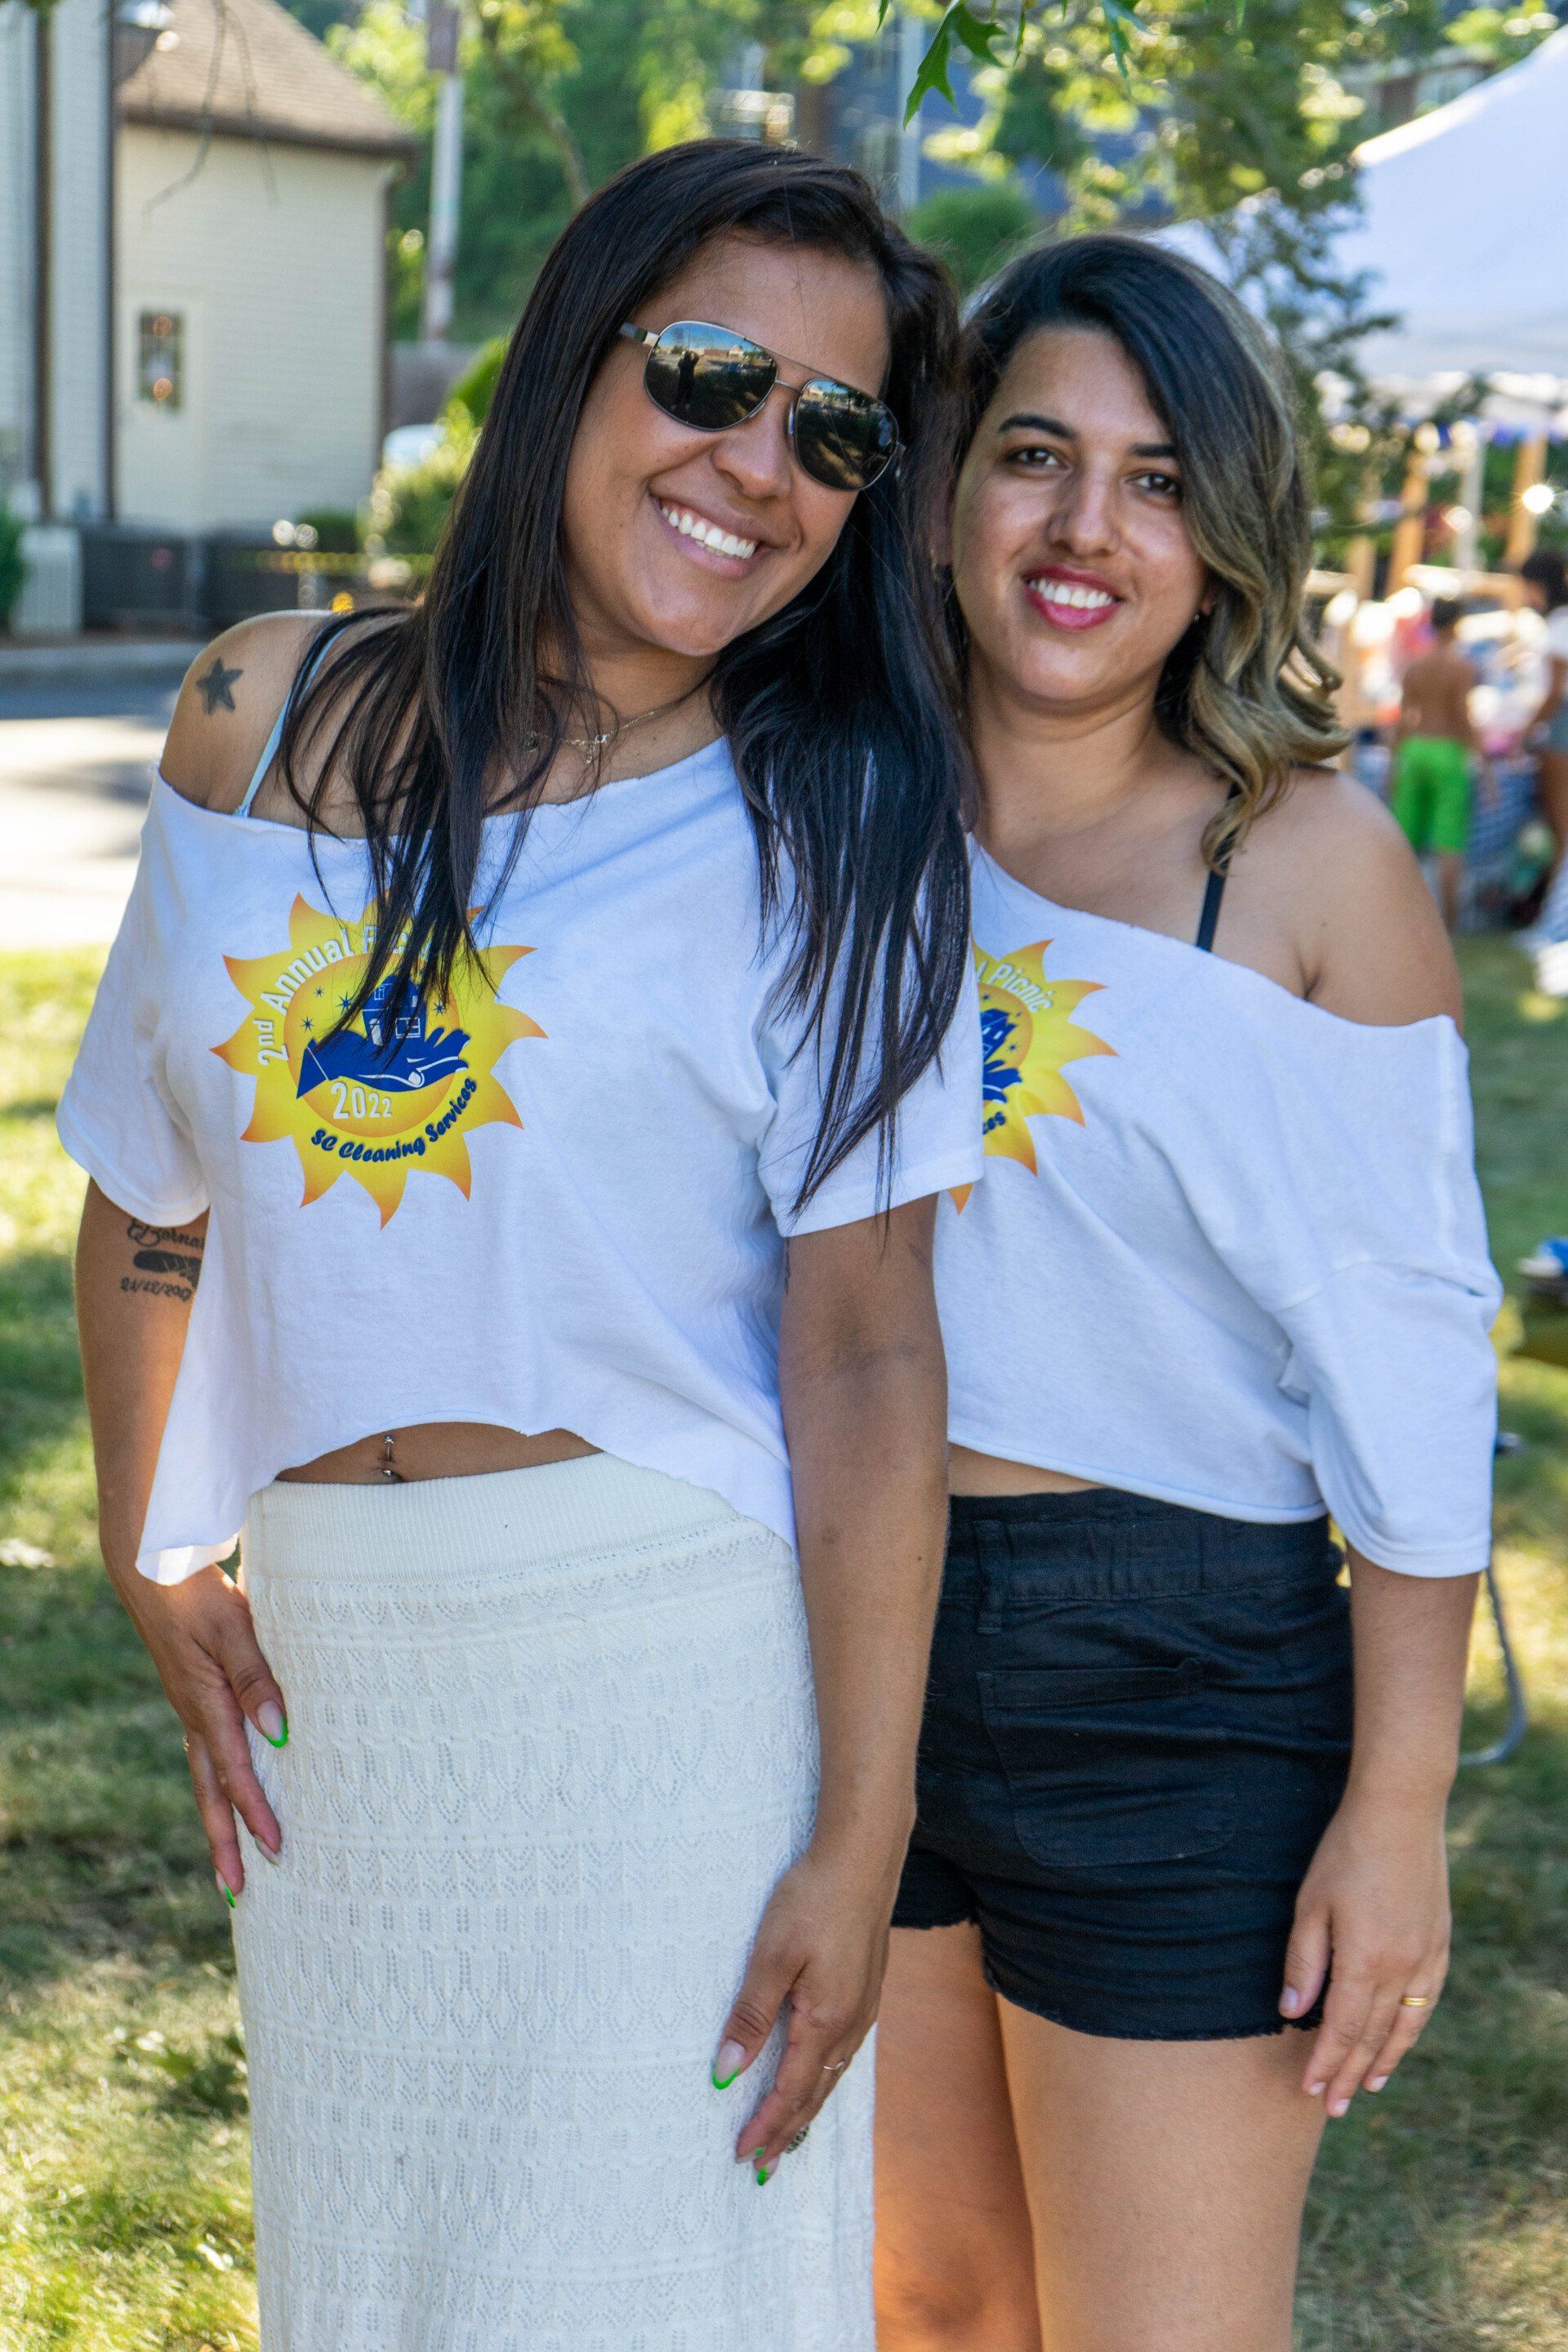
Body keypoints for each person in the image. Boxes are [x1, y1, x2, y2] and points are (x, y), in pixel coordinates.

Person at [59, 141, 983, 2351]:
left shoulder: (840, 819)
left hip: (665, 1683)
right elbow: (141, 1188)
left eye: (832, 435)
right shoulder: (252, 713)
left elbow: (867, 1356)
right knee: (380, 2295)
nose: (758, 468)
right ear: (573, 359)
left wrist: (861, 1842)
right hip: (346, 1697)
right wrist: (140, 1540)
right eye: (706, 376)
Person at [874, 234, 1500, 2352]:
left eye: (1156, 482)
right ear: (950, 481)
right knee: (936, 2314)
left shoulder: (1308, 865)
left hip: (1177, 1677)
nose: (1084, 530)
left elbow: (1413, 1379)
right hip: (826, 1628)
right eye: (1038, 456)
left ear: (1227, 535)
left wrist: (1395, 1809)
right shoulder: (831, 805)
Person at [1391, 595, 1486, 930]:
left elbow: (1403, 720)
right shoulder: (1461, 666)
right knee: (1449, 844)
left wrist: (1393, 766)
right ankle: (1449, 925)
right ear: (1457, 624)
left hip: (1415, 750)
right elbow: (1463, 718)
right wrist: (1485, 766)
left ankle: (1400, 917)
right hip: (1447, 752)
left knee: (1406, 842)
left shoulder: (1416, 665)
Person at [1518, 546, 1568, 877]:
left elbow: (1554, 691)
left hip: (1561, 723)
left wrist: (1527, 730)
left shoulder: (1559, 622)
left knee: (1560, 818)